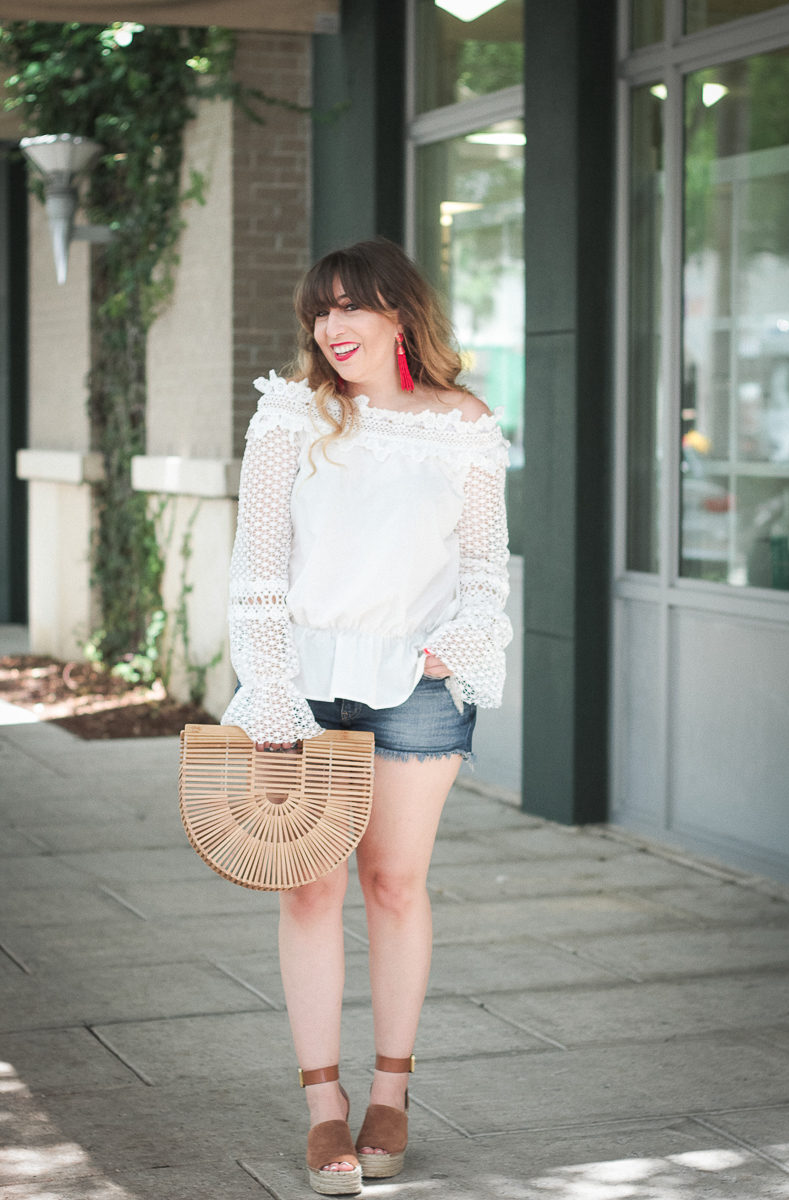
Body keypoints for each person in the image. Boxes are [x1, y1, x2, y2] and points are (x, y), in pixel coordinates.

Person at [221, 238, 512, 1195]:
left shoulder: (463, 425)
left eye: (351, 307)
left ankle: (390, 1090)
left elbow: (482, 569)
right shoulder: (290, 417)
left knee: (394, 884)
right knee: (308, 888)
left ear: (400, 315)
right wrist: (268, 696)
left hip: (415, 689)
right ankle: (324, 1108)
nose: (331, 327)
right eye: (320, 310)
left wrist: (457, 649)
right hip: (302, 683)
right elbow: (257, 573)